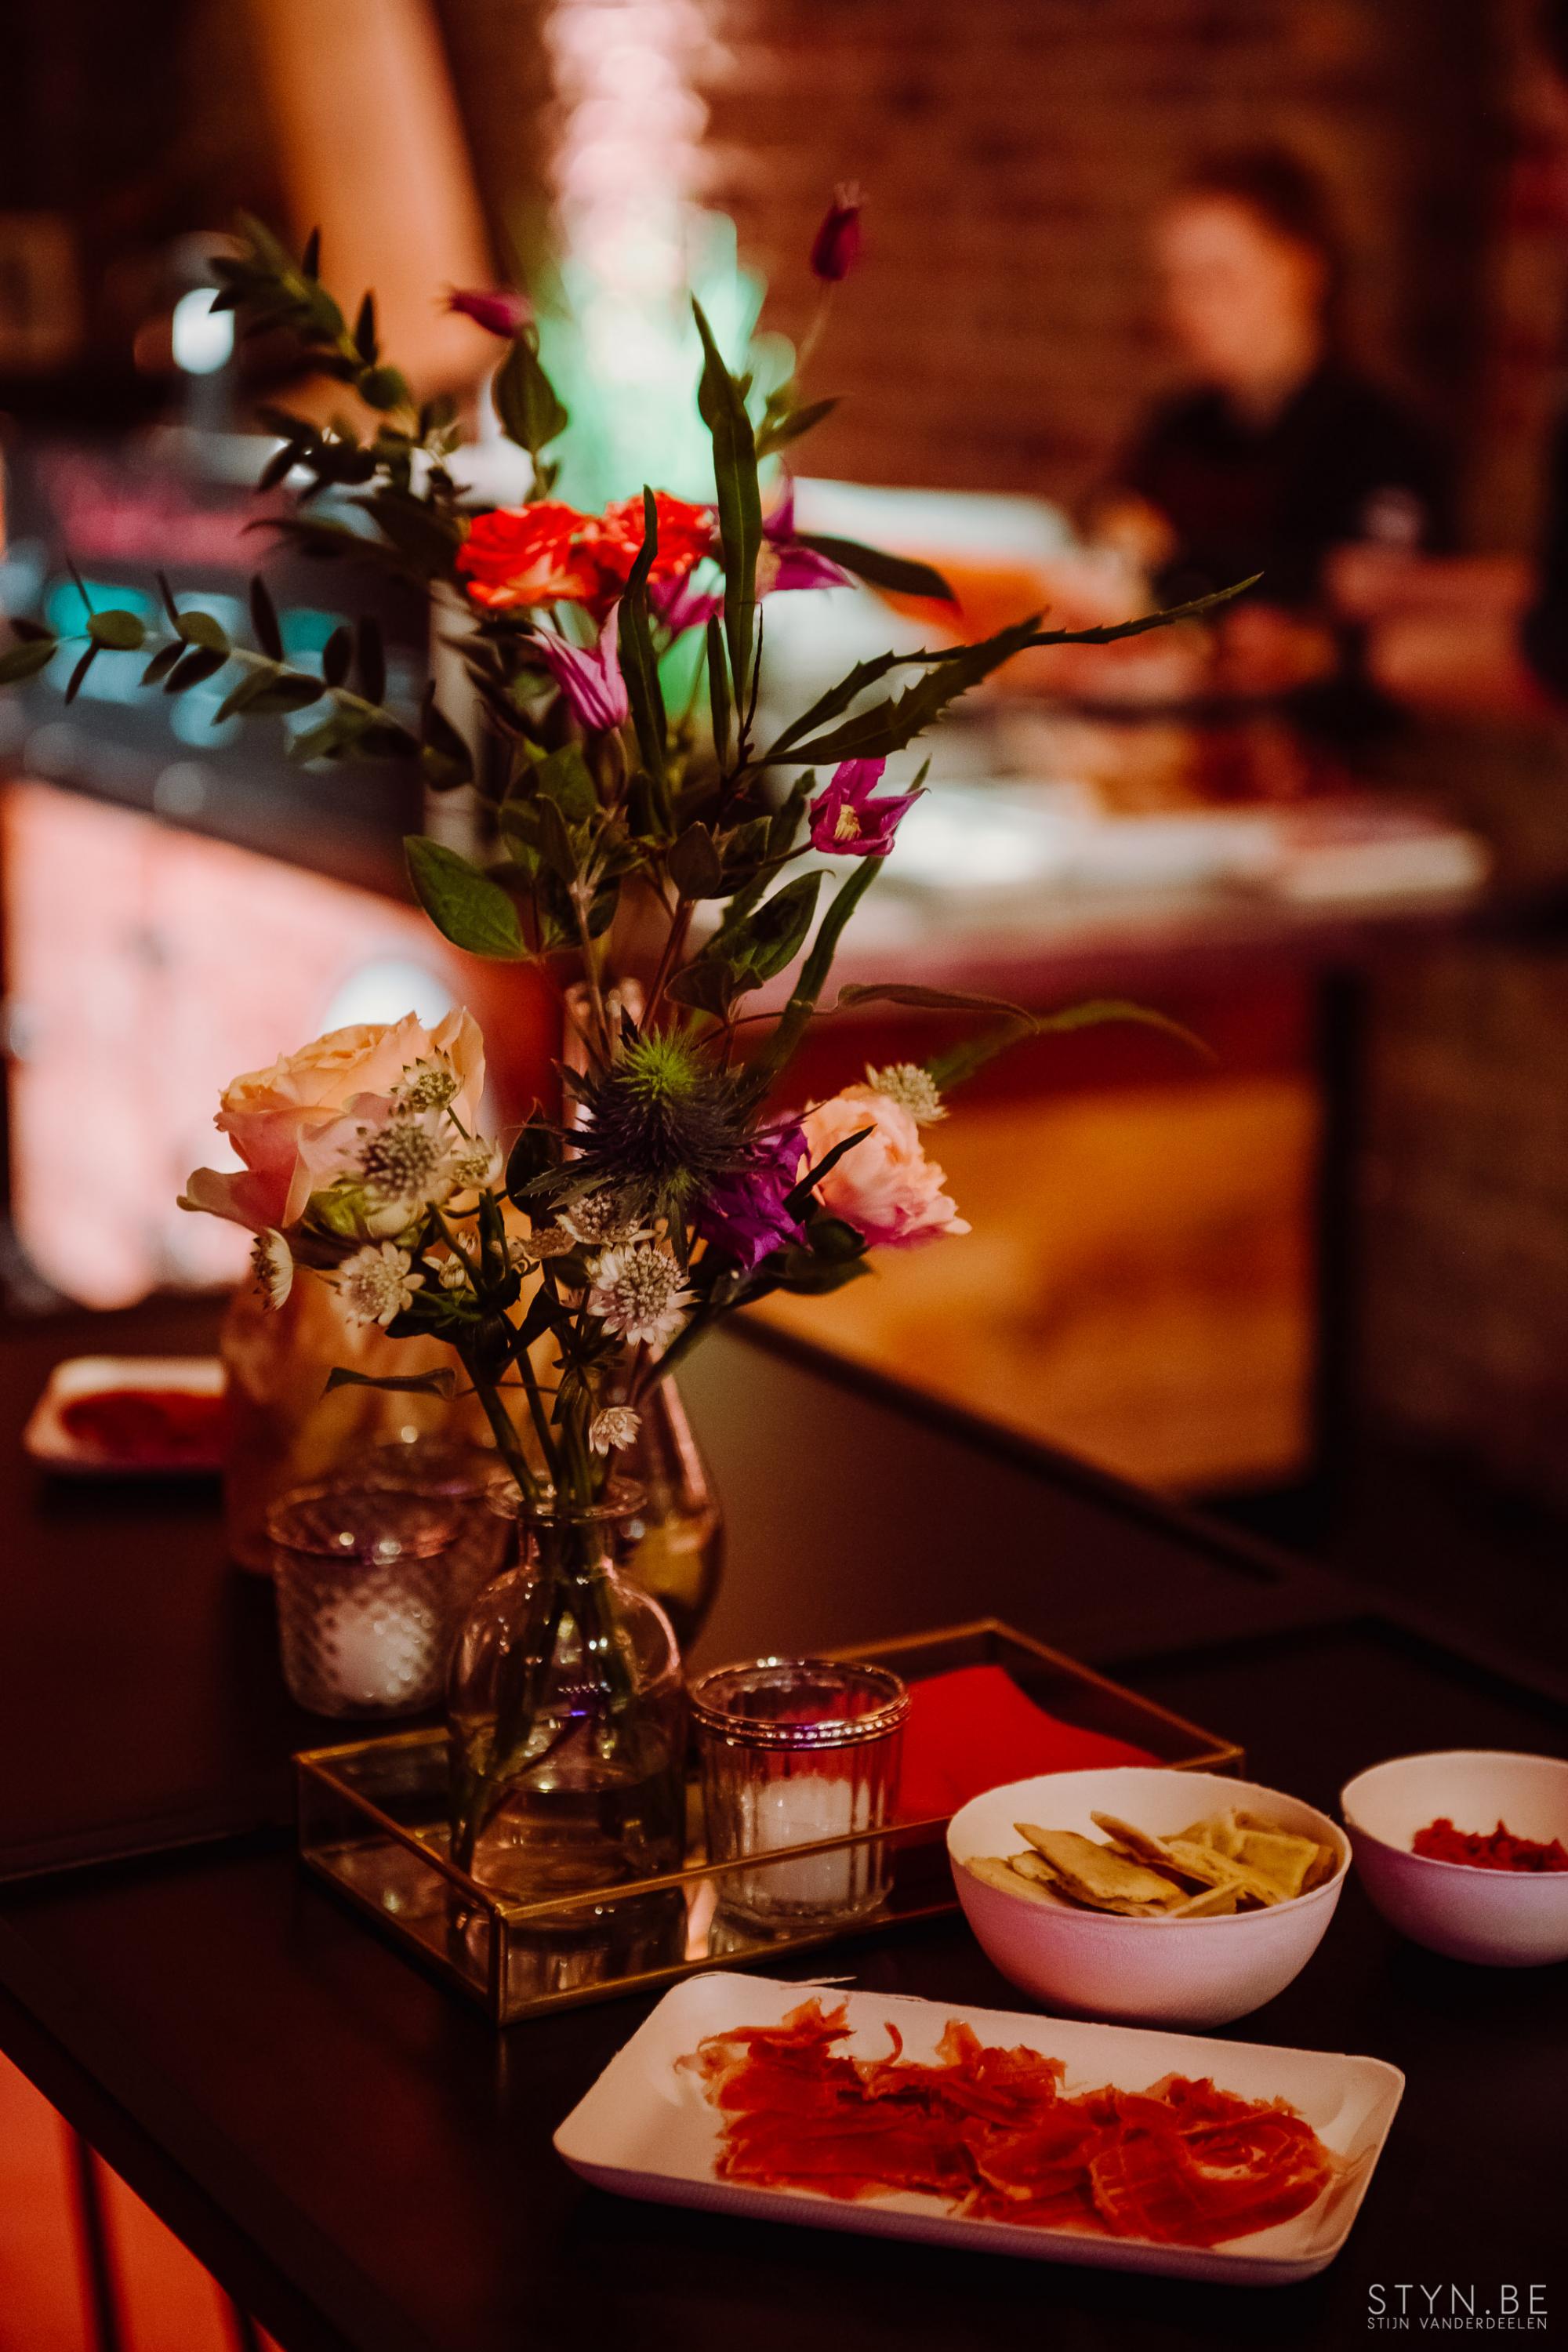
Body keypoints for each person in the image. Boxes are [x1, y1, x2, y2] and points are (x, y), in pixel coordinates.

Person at [1097, 150, 1451, 705]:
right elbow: (1111, 542)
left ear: (1303, 270)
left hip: (1333, 758)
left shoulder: (1376, 436)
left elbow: (1379, 595)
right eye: (1176, 283)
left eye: (1216, 280)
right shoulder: (1180, 425)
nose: (1188, 308)